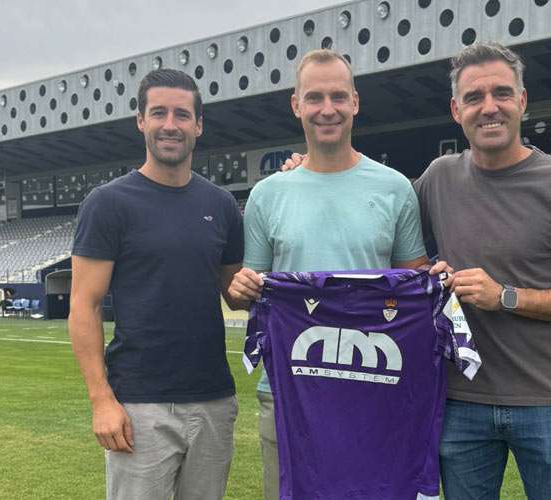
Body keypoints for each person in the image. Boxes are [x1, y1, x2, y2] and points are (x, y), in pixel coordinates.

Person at [226, 49, 448, 500]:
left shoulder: (394, 187)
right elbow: (250, 292)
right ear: (296, 105)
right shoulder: (268, 195)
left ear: (355, 102)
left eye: (337, 97)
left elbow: (413, 281)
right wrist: (241, 287)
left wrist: (435, 281)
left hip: (375, 386)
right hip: (288, 391)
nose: (327, 109)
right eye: (314, 98)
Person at [414, 42, 551, 499]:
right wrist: (313, 169)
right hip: (460, 401)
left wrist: (506, 295)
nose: (489, 108)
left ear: (522, 100)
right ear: (455, 109)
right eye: (474, 97)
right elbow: (380, 218)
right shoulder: (438, 177)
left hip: (545, 402)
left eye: (502, 93)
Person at [68, 69, 243, 500]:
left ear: (198, 125)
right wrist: (101, 400)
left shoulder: (221, 206)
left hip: (213, 400)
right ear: (141, 121)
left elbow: (234, 293)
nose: (170, 124)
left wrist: (254, 287)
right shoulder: (109, 203)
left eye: (182, 114)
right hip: (139, 404)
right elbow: (83, 306)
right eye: (159, 112)